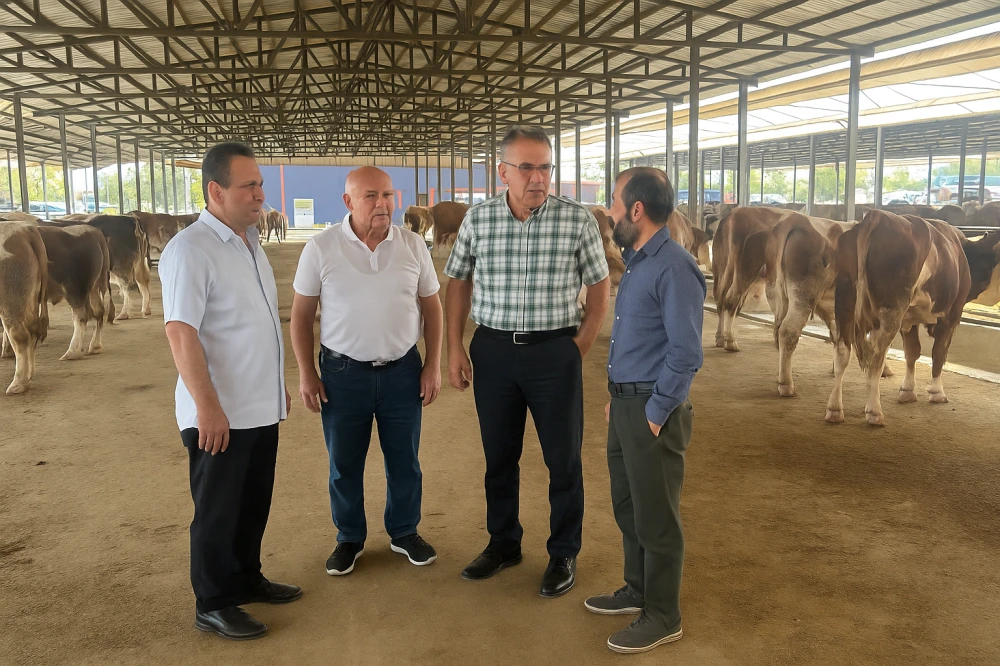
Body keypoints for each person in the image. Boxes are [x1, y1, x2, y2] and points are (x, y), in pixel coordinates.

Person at [445, 125, 610, 598]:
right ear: (503, 172)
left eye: (545, 167)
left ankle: (563, 551)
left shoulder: (576, 221)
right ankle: (503, 543)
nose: (538, 178)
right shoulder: (479, 220)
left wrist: (577, 346)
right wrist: (455, 347)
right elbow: (457, 282)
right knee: (499, 457)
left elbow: (599, 288)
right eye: (527, 167)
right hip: (493, 351)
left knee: (564, 458)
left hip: (554, 350)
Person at [160, 141, 299, 641]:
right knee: (218, 508)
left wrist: (276, 384)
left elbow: (256, 325)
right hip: (219, 414)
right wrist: (208, 408)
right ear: (216, 190)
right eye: (250, 185)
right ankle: (214, 601)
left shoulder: (250, 244)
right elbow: (181, 332)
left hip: (258, 406)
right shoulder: (191, 249)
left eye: (260, 184)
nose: (260, 193)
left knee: (252, 501)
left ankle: (246, 576)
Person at [290, 166, 443, 577]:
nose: (383, 204)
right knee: (344, 462)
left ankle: (404, 531)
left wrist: (432, 365)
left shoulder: (412, 245)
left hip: (402, 373)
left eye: (388, 195)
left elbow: (432, 307)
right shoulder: (320, 248)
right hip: (342, 376)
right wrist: (307, 373)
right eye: (372, 196)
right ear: (348, 202)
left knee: (405, 460)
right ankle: (349, 537)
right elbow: (301, 317)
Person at [584, 167, 706, 654]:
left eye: (614, 202)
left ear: (636, 210)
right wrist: (620, 399)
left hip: (653, 408)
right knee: (628, 503)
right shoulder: (637, 262)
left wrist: (653, 411)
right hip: (627, 403)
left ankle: (663, 613)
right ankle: (637, 588)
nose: (610, 211)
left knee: (657, 515)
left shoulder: (674, 267)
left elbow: (685, 353)